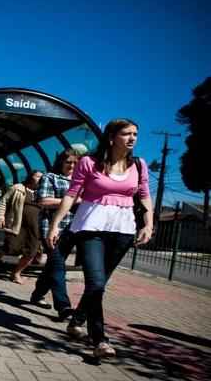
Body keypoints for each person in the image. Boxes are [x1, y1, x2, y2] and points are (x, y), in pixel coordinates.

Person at [46, 118, 152, 359]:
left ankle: (76, 322)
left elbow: (144, 195)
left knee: (99, 283)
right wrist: (55, 225)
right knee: (95, 283)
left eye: (135, 134)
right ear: (112, 136)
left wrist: (149, 223)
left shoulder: (139, 165)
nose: (133, 138)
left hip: (123, 230)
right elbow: (72, 195)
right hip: (91, 228)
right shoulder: (89, 162)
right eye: (127, 133)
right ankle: (100, 340)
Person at [29, 149, 82, 321]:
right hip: (52, 228)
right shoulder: (50, 177)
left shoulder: (81, 181)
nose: (72, 165)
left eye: (75, 163)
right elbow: (43, 201)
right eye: (68, 162)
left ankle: (38, 294)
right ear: (61, 162)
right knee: (59, 266)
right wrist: (74, 200)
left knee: (53, 266)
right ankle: (64, 307)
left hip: (73, 229)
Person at [0, 170, 44, 284]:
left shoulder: (43, 192)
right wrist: (0, 217)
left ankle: (16, 273)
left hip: (35, 227)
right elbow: (3, 202)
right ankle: (0, 253)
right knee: (12, 247)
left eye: (42, 177)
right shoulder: (18, 188)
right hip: (18, 223)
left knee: (31, 251)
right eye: (37, 176)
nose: (40, 179)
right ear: (31, 176)